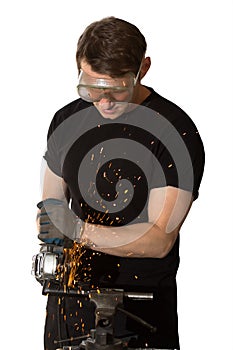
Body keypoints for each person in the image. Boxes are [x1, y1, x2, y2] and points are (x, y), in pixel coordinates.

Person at [36, 16, 205, 350]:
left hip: (140, 307)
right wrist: (50, 221)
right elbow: (52, 201)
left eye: (116, 89)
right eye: (93, 89)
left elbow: (159, 239)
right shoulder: (66, 120)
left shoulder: (174, 133)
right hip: (69, 297)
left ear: (143, 68)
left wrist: (77, 230)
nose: (104, 102)